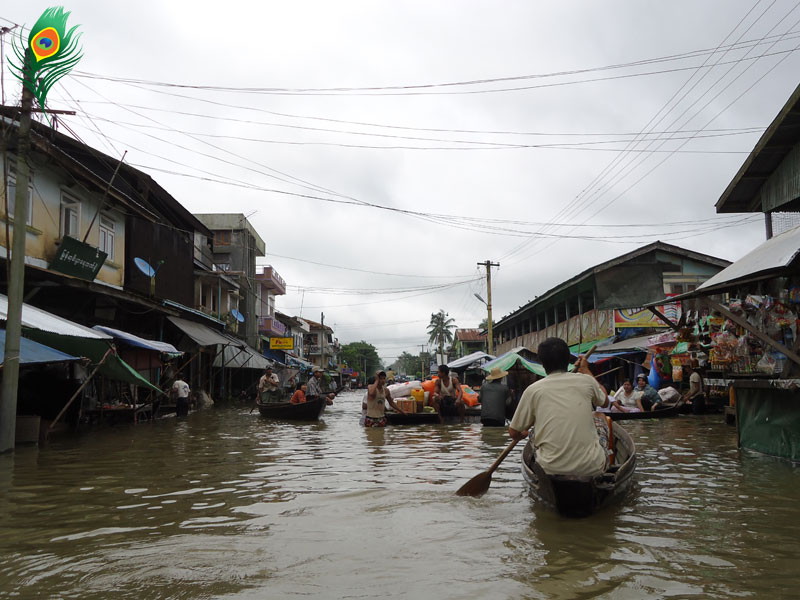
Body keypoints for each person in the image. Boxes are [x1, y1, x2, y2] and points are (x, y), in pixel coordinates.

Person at [509, 337, 610, 477]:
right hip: (591, 467)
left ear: (542, 363)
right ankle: (609, 460)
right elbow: (605, 402)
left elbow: (513, 433)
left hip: (549, 469)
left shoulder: (533, 390)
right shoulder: (586, 380)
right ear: (568, 358)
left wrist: (525, 433)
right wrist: (586, 370)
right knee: (600, 416)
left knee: (534, 433)